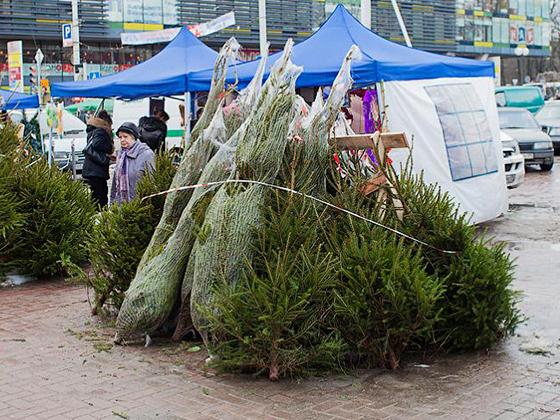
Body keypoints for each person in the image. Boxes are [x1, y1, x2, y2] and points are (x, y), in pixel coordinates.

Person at [110, 122, 155, 205]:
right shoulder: (121, 155)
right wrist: (112, 203)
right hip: (121, 207)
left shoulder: (146, 154)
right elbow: (115, 183)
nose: (122, 140)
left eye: (125, 137)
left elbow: (152, 181)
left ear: (133, 137)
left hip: (140, 206)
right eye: (120, 137)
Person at [82, 110, 114, 209]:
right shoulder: (101, 131)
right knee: (101, 198)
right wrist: (108, 150)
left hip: (92, 169)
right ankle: (99, 220)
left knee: (96, 197)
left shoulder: (93, 130)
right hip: (97, 170)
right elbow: (96, 144)